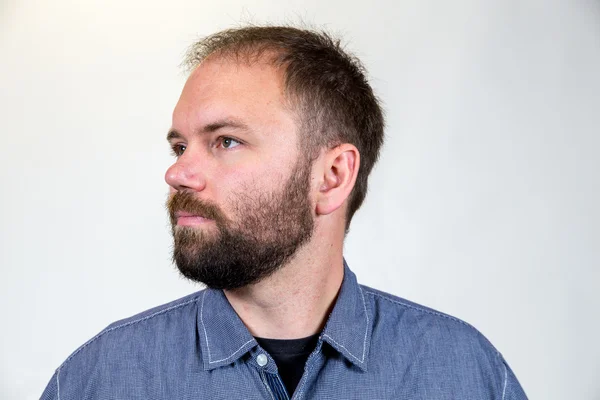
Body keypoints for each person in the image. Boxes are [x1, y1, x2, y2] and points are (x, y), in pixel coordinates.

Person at [41, 26, 527, 400]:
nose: (179, 173)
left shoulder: (465, 374)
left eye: (225, 141)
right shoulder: (100, 379)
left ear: (332, 176)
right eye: (180, 146)